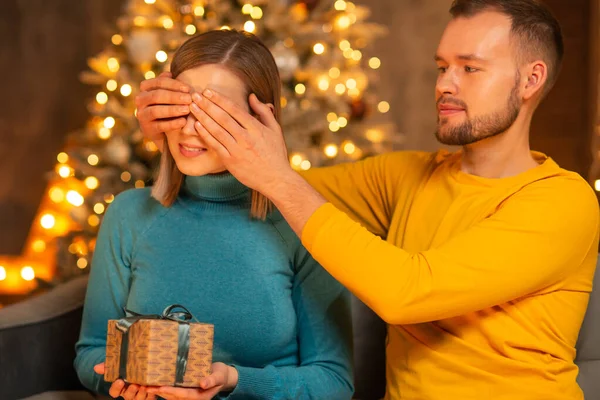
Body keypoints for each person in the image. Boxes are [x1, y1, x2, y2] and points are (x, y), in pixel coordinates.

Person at [135, 0, 600, 399]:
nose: (444, 85)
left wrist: (275, 177)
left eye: (470, 68)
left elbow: (406, 293)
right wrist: (180, 127)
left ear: (530, 79)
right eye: (442, 67)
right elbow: (259, 181)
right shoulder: (408, 177)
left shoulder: (562, 202)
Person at [74, 29, 354, 400]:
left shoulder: (302, 224)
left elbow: (334, 382)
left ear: (259, 120)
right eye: (182, 107)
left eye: (213, 113)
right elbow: (91, 352)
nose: (189, 129)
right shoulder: (129, 215)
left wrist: (235, 381)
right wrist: (120, 381)